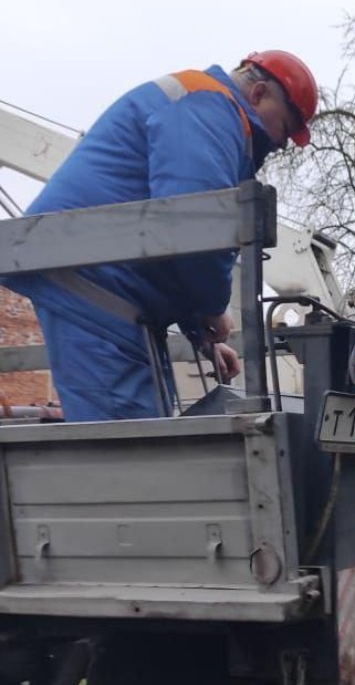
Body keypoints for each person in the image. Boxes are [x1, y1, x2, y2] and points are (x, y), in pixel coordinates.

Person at [3, 51, 318, 422]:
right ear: (259, 93)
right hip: (94, 287)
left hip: (107, 288)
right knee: (129, 453)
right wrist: (214, 308)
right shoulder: (207, 108)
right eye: (286, 126)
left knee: (147, 432)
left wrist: (200, 333)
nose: (280, 143)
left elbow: (173, 243)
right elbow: (196, 226)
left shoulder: (204, 109)